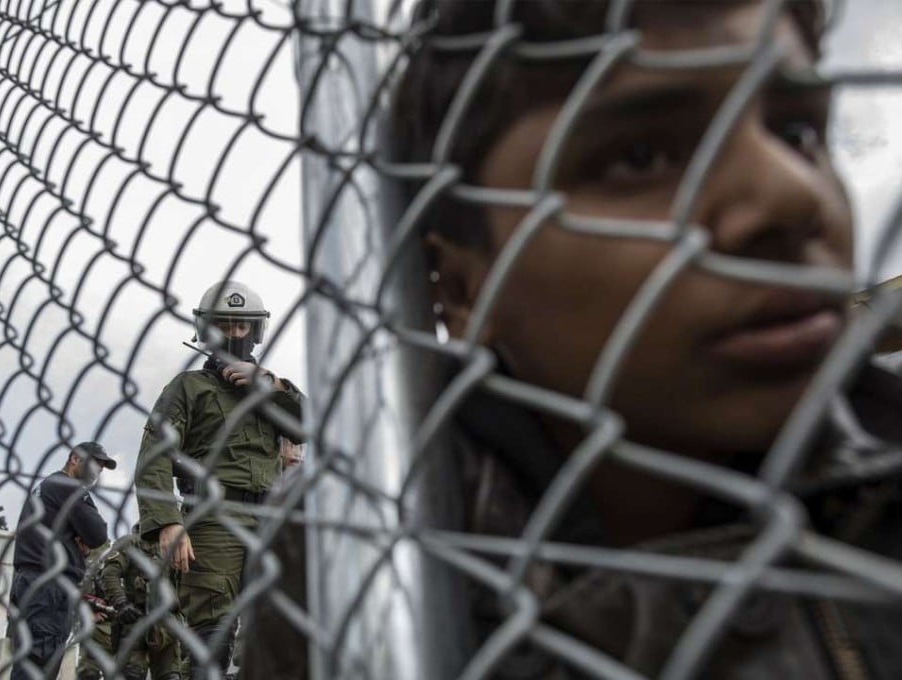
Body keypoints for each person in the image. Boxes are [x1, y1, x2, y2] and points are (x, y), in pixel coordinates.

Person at [242, 1, 902, 678]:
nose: (791, 195)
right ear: (467, 290)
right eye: (640, 157)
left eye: (797, 132)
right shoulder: (353, 535)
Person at [135, 280, 305, 676]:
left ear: (255, 332)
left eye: (242, 326)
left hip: (270, 518)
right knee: (213, 631)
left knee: (276, 627)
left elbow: (314, 423)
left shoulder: (270, 391)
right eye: (225, 324)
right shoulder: (188, 388)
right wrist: (167, 522)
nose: (234, 333)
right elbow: (153, 455)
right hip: (212, 519)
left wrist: (272, 386)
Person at [10, 441, 114, 680]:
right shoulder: (68, 486)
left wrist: (80, 542)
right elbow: (98, 534)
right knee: (40, 662)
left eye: (101, 466)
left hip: (31, 582)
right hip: (49, 587)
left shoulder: (47, 486)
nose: (97, 470)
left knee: (31, 661)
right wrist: (82, 542)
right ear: (75, 459)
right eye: (95, 462)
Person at [98, 526, 185, 680]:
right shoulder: (130, 542)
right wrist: (121, 603)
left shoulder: (173, 543)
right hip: (135, 619)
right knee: (131, 674)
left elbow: (184, 582)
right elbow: (109, 573)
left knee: (171, 676)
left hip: (166, 623)